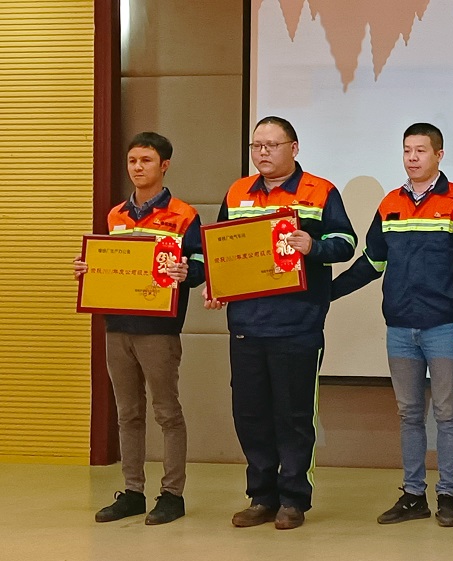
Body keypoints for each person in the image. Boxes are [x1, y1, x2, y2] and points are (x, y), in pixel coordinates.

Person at [204, 116, 357, 530]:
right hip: (247, 323)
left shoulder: (320, 191)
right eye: (257, 146)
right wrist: (216, 286)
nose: (263, 153)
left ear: (294, 147)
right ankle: (261, 496)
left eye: (271, 145)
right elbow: (221, 249)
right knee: (250, 414)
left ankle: (292, 498)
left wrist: (313, 245)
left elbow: (346, 242)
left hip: (297, 323)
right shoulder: (238, 192)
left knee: (293, 416)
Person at [331, 123, 453, 527]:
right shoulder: (390, 203)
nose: (412, 158)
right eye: (406, 150)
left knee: (447, 413)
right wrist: (325, 293)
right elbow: (372, 262)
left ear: (439, 155)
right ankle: (414, 495)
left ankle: (447, 496)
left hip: (444, 326)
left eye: (420, 150)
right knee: (409, 414)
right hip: (400, 328)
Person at [74, 132, 204, 525]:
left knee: (167, 412)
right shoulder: (116, 215)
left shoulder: (184, 214)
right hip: (117, 325)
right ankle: (132, 491)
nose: (137, 167)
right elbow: (112, 263)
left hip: (159, 328)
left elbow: (201, 267)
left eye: (146, 160)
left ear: (164, 165)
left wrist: (186, 271)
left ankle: (172, 494)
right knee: (127, 412)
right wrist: (88, 269)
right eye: (132, 160)